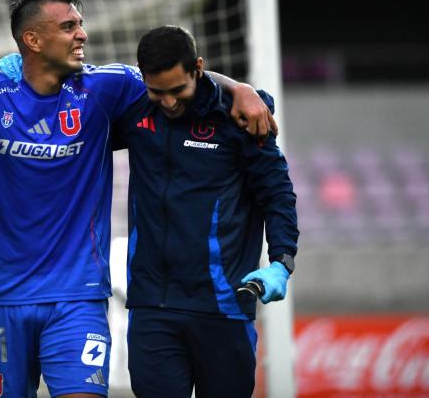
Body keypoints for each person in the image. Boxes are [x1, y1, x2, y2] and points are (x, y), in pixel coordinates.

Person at [0, 0, 277, 398]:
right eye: (69, 26)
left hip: (78, 296)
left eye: (79, 24)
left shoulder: (106, 88)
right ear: (32, 39)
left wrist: (237, 88)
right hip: (0, 296)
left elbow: (181, 79)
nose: (82, 33)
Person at [113, 25, 299, 397]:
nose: (168, 102)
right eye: (157, 92)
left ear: (198, 68)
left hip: (223, 305)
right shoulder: (134, 110)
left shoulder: (240, 118)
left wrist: (282, 261)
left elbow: (277, 193)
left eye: (177, 90)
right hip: (153, 307)